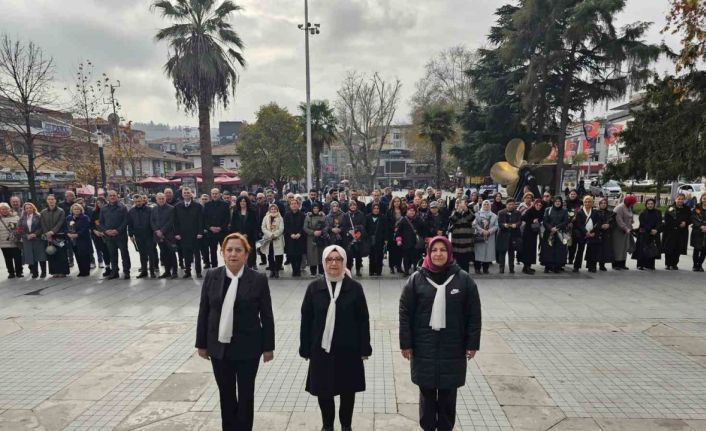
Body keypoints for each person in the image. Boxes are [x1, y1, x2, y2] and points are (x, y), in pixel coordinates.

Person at [399, 236, 481, 431]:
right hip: (424, 347)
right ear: (428, 252)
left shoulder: (463, 280)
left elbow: (473, 314)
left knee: (447, 396)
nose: (438, 254)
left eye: (442, 250)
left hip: (452, 348)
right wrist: (406, 343)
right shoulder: (416, 279)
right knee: (426, 395)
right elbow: (405, 313)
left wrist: (472, 344)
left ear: (449, 253)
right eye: (434, 250)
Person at [195, 233, 275, 431]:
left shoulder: (257, 279)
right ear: (222, 253)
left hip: (248, 348)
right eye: (229, 250)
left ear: (246, 255)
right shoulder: (212, 276)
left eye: (238, 250)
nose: (233, 254)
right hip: (219, 348)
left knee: (246, 395)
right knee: (226, 395)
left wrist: (268, 347)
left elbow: (267, 316)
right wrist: (201, 343)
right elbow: (204, 311)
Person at [299, 245, 372, 431]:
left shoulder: (354, 288)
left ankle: (346, 426)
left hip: (349, 350)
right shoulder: (314, 288)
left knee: (348, 391)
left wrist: (365, 349)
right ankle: (327, 426)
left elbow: (363, 320)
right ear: (323, 262)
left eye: (338, 259)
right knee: (324, 391)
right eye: (329, 259)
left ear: (344, 262)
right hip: (321, 350)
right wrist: (305, 347)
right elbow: (306, 319)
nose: (333, 263)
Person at [99, 190, 131, 280]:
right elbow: (100, 222)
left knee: (124, 254)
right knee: (112, 254)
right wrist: (106, 231)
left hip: (120, 235)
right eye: (110, 196)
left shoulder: (123, 207)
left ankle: (126, 271)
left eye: (114, 195)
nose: (112, 197)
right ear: (107, 197)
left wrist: (117, 230)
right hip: (109, 236)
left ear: (117, 196)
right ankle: (114, 272)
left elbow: (126, 221)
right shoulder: (104, 208)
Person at [174, 188, 205, 278]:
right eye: (185, 193)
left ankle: (198, 271)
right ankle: (187, 271)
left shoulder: (198, 206)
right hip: (183, 234)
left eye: (188, 193)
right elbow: (175, 222)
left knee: (197, 254)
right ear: (182, 195)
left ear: (191, 194)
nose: (186, 194)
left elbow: (200, 220)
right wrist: (177, 233)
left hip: (195, 234)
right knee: (186, 254)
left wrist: (200, 232)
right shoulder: (177, 206)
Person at [128, 195, 159, 279]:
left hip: (149, 235)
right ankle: (144, 271)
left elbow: (154, 221)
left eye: (139, 201)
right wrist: (130, 235)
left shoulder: (149, 210)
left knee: (151, 253)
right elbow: (130, 224)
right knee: (142, 254)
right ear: (134, 202)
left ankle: (152, 271)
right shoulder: (131, 211)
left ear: (142, 201)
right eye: (136, 201)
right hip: (138, 235)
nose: (138, 203)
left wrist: (155, 233)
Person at [40, 194, 69, 278]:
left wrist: (52, 232)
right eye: (49, 199)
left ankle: (63, 272)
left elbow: (60, 222)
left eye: (52, 199)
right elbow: (43, 223)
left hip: (59, 236)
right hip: (48, 237)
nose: (51, 201)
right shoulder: (43, 212)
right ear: (47, 201)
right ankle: (54, 272)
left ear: (55, 200)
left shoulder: (61, 211)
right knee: (51, 253)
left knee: (62, 254)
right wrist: (47, 233)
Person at [152, 192, 178, 279]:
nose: (161, 200)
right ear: (156, 200)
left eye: (163, 198)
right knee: (163, 254)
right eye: (159, 198)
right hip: (158, 235)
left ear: (165, 199)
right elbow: (152, 221)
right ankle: (167, 271)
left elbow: (170, 222)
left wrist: (162, 231)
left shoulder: (171, 208)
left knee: (171, 253)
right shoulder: (154, 209)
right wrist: (156, 230)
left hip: (169, 235)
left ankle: (174, 272)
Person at [572, 196, 602, 273]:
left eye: (589, 202)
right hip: (582, 234)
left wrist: (593, 233)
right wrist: (586, 232)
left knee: (592, 251)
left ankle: (591, 266)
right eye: (586, 202)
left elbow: (598, 223)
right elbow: (579, 224)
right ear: (583, 202)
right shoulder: (580, 212)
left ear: (592, 203)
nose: (587, 203)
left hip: (592, 234)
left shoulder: (595, 212)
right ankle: (576, 266)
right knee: (580, 250)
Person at [663, 193, 691, 270]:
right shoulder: (671, 208)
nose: (680, 200)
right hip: (671, 231)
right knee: (669, 248)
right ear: (675, 199)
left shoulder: (687, 209)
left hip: (682, 232)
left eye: (682, 199)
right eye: (679, 199)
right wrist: (679, 223)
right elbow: (667, 220)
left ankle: (674, 264)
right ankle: (668, 264)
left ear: (684, 200)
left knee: (678, 248)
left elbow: (690, 218)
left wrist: (686, 222)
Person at [541, 196, 569, 273]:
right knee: (548, 249)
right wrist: (551, 228)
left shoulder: (564, 211)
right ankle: (547, 266)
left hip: (560, 233)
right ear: (553, 202)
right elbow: (545, 221)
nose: (557, 202)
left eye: (559, 201)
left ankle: (557, 267)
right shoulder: (548, 209)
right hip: (549, 232)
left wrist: (557, 228)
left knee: (559, 250)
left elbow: (566, 221)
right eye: (556, 201)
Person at [204, 188, 231, 269]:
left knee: (225, 250)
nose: (215, 195)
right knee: (212, 251)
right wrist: (210, 227)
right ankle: (214, 268)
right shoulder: (207, 205)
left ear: (220, 194)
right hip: (211, 232)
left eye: (216, 193)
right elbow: (205, 219)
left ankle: (228, 267)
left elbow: (227, 218)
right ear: (211, 195)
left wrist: (221, 228)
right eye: (213, 193)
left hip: (222, 232)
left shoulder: (225, 204)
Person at [229, 196, 258, 269]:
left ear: (247, 202)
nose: (242, 202)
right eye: (241, 201)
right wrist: (239, 234)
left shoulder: (252, 212)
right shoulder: (235, 212)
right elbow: (233, 225)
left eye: (244, 201)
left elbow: (254, 224)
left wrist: (247, 234)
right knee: (240, 251)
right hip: (239, 236)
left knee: (251, 251)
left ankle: (251, 265)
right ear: (238, 202)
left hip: (250, 236)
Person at [19, 202, 46, 278]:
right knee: (31, 256)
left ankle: (43, 272)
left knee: (41, 256)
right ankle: (35, 272)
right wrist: (26, 235)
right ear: (24, 209)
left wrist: (35, 234)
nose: (28, 209)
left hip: (38, 239)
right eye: (27, 208)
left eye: (30, 208)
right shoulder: (22, 218)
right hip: (27, 240)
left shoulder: (38, 216)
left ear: (33, 208)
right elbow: (19, 229)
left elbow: (42, 227)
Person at [634, 198, 662, 271]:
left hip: (654, 234)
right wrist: (650, 230)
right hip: (644, 233)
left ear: (654, 204)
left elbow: (660, 222)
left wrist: (656, 229)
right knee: (642, 249)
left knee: (652, 249)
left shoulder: (658, 212)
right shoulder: (643, 213)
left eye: (651, 204)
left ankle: (650, 265)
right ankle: (640, 265)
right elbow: (643, 223)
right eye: (648, 204)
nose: (650, 205)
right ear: (646, 205)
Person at [396, 206, 425, 276]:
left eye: (413, 211)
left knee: (416, 258)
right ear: (407, 211)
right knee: (406, 257)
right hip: (406, 242)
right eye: (410, 210)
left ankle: (416, 270)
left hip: (416, 243)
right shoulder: (403, 220)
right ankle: (406, 271)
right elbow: (399, 231)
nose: (411, 212)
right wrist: (399, 240)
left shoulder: (419, 219)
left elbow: (423, 229)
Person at [448, 198, 475, 272]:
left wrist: (466, 210)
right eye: (457, 203)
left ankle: (465, 276)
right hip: (457, 241)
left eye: (461, 203)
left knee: (465, 262)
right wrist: (458, 211)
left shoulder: (469, 212)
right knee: (457, 261)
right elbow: (452, 220)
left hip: (467, 241)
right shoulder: (454, 212)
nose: (459, 205)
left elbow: (471, 218)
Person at [496, 198, 522, 274]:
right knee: (502, 252)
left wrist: (516, 225)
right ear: (506, 205)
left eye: (512, 204)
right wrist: (504, 225)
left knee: (511, 252)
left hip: (513, 235)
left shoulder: (518, 212)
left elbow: (519, 222)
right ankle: (501, 268)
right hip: (503, 235)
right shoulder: (501, 212)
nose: (511, 206)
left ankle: (511, 268)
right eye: (509, 204)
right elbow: (499, 223)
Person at [66, 204, 92, 277]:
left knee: (84, 256)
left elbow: (85, 228)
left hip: (83, 239)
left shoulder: (85, 217)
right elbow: (65, 227)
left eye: (78, 209)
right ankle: (81, 271)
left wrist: (77, 234)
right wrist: (68, 234)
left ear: (81, 210)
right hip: (73, 240)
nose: (76, 210)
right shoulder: (69, 217)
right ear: (72, 210)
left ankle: (86, 271)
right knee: (77, 256)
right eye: (75, 209)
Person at [473, 200, 498, 274]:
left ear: (490, 206)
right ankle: (477, 268)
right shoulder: (477, 214)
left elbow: (496, 226)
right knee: (478, 253)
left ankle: (485, 268)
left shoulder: (494, 216)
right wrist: (482, 231)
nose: (486, 205)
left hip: (490, 237)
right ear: (482, 205)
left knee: (488, 253)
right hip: (480, 236)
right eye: (485, 204)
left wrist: (489, 231)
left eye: (488, 204)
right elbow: (474, 224)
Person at [612, 195, 636, 270]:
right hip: (619, 231)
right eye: (633, 203)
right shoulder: (619, 208)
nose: (633, 204)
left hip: (626, 231)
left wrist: (631, 222)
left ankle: (622, 264)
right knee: (618, 248)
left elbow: (630, 217)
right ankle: (615, 264)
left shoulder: (628, 207)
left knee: (624, 248)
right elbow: (619, 220)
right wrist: (626, 228)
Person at [284, 199, 307, 276]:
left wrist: (299, 233)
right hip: (290, 238)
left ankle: (298, 270)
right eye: (292, 204)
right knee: (292, 254)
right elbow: (286, 226)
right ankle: (294, 270)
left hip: (300, 237)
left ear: (298, 205)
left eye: (295, 203)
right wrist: (291, 234)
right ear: (290, 206)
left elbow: (304, 226)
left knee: (299, 255)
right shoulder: (287, 215)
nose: (294, 205)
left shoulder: (302, 215)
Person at [261, 203, 285, 278]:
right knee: (270, 255)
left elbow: (281, 228)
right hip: (268, 239)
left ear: (277, 210)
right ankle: (272, 270)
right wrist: (269, 234)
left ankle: (277, 270)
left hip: (277, 238)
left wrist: (274, 235)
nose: (273, 210)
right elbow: (263, 227)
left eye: (275, 209)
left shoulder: (280, 218)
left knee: (279, 255)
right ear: (269, 210)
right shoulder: (266, 217)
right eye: (272, 209)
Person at [520, 199, 543, 274]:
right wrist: (532, 220)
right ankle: (526, 267)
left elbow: (541, 219)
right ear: (534, 204)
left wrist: (538, 221)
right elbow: (522, 218)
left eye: (540, 205)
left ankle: (528, 267)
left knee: (532, 250)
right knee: (527, 250)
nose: (539, 206)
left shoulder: (539, 212)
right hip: (527, 234)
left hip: (534, 233)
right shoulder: (530, 210)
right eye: (537, 204)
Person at [303, 203, 327, 276]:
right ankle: (313, 271)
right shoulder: (308, 216)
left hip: (321, 237)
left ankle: (321, 271)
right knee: (312, 254)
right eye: (314, 208)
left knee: (321, 254)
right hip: (311, 238)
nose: (315, 210)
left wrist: (321, 231)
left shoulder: (323, 216)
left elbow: (327, 226)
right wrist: (313, 232)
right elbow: (305, 227)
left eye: (317, 208)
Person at [344, 200, 367, 277]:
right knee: (349, 255)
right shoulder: (346, 215)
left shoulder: (361, 214)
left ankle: (358, 270)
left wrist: (358, 230)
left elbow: (363, 225)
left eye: (354, 205)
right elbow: (344, 226)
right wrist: (350, 231)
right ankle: (349, 270)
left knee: (358, 255)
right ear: (349, 206)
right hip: (349, 238)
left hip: (358, 237)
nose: (353, 207)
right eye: (351, 205)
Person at [365, 203, 388, 276]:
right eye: (374, 208)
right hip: (370, 239)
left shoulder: (383, 217)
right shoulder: (368, 217)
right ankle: (371, 271)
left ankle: (378, 271)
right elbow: (365, 228)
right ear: (372, 209)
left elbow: (385, 229)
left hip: (380, 239)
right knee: (371, 255)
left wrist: (386, 239)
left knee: (379, 255)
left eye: (377, 208)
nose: (376, 210)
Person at [0, 202, 22, 278]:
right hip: (3, 242)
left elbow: (20, 228)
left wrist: (17, 233)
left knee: (18, 257)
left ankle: (19, 272)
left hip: (15, 241)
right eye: (2, 209)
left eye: (6, 209)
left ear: (9, 209)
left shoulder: (16, 217)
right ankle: (11, 272)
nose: (4, 210)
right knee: (8, 259)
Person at [594, 198, 614, 271]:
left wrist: (609, 225)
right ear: (599, 204)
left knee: (604, 250)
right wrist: (600, 226)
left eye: (605, 203)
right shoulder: (595, 212)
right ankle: (594, 264)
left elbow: (613, 223)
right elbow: (593, 222)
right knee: (597, 250)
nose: (603, 204)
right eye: (601, 203)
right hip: (597, 233)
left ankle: (602, 265)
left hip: (606, 234)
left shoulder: (610, 213)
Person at [387, 197, 406, 274]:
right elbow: (387, 222)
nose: (397, 203)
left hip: (401, 233)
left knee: (400, 251)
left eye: (398, 201)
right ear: (393, 203)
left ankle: (398, 266)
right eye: (395, 201)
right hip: (392, 233)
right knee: (392, 251)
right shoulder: (389, 211)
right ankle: (391, 267)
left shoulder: (403, 211)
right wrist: (393, 228)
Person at [58, 190, 77, 268]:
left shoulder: (76, 204)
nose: (71, 197)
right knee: (68, 246)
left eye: (72, 195)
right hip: (66, 227)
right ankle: (70, 260)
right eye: (69, 195)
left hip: (76, 226)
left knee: (77, 245)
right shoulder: (61, 204)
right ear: (66, 196)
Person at [690, 194, 706, 272]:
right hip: (698, 231)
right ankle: (695, 265)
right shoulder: (697, 208)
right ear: (701, 199)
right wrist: (701, 226)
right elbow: (693, 218)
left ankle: (700, 265)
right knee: (697, 249)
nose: (705, 200)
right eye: (704, 198)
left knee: (704, 250)